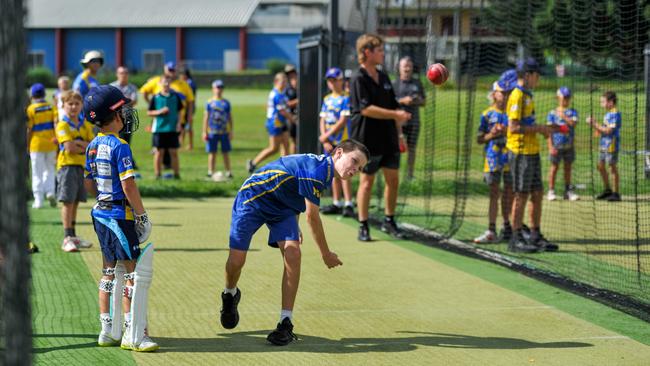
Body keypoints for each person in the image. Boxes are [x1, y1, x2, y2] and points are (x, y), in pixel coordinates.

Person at [220, 140, 369, 346]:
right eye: (354, 161)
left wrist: (294, 224)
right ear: (339, 152)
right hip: (253, 198)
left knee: (293, 253)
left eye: (360, 168)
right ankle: (230, 294)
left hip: (283, 209)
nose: (355, 170)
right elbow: (313, 217)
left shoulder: (326, 173)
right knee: (236, 261)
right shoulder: (318, 170)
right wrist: (326, 254)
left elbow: (293, 190)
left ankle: (285, 322)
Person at [82, 85, 157, 352]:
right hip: (119, 214)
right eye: (122, 110)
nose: (126, 115)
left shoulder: (92, 145)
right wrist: (142, 215)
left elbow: (89, 183)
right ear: (114, 115)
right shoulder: (120, 145)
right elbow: (129, 186)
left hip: (100, 212)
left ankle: (106, 329)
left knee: (108, 270)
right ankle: (133, 331)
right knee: (132, 273)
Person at [349, 33, 411, 241]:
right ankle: (363, 224)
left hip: (389, 138)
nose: (383, 54)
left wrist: (400, 128)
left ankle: (389, 220)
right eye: (380, 51)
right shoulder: (358, 78)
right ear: (367, 52)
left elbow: (393, 105)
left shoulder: (383, 77)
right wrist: (395, 114)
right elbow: (366, 109)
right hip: (367, 140)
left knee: (393, 180)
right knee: (366, 182)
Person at [506, 58, 562, 253]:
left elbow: (528, 124)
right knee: (521, 194)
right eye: (536, 76)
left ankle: (535, 235)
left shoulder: (528, 95)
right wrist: (540, 128)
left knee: (537, 193)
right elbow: (513, 128)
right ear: (528, 75)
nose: (537, 80)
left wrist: (546, 129)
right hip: (520, 152)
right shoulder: (517, 96)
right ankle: (515, 237)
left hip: (532, 151)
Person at [473, 80, 513, 244]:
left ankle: (508, 227)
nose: (504, 96)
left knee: (509, 192)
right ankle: (491, 229)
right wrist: (492, 134)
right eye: (501, 93)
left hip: (510, 157)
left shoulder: (513, 113)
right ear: (494, 94)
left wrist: (507, 130)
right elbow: (480, 139)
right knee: (494, 193)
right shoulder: (487, 114)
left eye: (506, 93)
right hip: (493, 158)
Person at [55, 90, 95, 252]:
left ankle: (73, 235)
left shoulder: (85, 124)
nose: (73, 107)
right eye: (70, 104)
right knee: (68, 201)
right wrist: (82, 143)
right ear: (63, 106)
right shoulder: (62, 125)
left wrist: (80, 143)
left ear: (82, 106)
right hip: (67, 166)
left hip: (81, 166)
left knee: (76, 201)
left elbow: (92, 146)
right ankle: (66, 238)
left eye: (77, 104)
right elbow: (69, 148)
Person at [318, 67, 355, 218]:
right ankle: (336, 202)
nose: (332, 83)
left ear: (341, 81)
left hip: (342, 141)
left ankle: (348, 203)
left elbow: (343, 120)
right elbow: (323, 119)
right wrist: (325, 138)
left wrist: (327, 135)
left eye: (335, 80)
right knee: (333, 172)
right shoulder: (327, 99)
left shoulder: (346, 98)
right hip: (329, 142)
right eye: (330, 81)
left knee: (345, 171)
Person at [140, 61, 194, 150]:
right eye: (170, 70)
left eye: (173, 70)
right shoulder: (157, 81)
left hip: (177, 118)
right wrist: (151, 104)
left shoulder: (183, 84)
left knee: (172, 148)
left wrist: (189, 116)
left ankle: (169, 163)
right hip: (160, 119)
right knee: (159, 148)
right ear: (165, 69)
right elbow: (144, 91)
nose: (172, 72)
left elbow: (190, 101)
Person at [246, 72, 295, 173]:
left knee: (286, 145)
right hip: (275, 123)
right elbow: (282, 111)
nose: (285, 84)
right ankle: (253, 163)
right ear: (276, 82)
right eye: (283, 81)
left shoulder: (282, 93)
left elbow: (284, 107)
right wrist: (293, 120)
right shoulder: (276, 94)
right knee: (274, 148)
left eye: (286, 81)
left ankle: (285, 170)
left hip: (282, 123)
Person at [393, 56, 426, 179]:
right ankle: (394, 173)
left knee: (412, 149)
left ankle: (410, 175)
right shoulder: (394, 84)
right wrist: (403, 101)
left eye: (409, 66)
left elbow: (424, 102)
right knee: (397, 149)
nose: (407, 68)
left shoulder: (417, 83)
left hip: (414, 121)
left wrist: (415, 101)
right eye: (404, 66)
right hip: (398, 123)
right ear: (399, 68)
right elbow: (390, 102)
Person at [26, 83, 58, 209]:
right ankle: (50, 192)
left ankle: (38, 200)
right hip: (51, 143)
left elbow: (29, 129)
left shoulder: (31, 109)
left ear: (33, 95)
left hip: (36, 144)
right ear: (44, 94)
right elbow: (56, 124)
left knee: (36, 172)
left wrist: (27, 145)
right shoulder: (51, 107)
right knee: (49, 170)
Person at [587, 91, 622, 202]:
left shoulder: (614, 113)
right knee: (600, 166)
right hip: (604, 144)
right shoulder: (608, 113)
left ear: (611, 102)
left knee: (612, 167)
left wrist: (594, 124)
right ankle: (608, 190)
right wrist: (598, 129)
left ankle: (616, 193)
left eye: (603, 101)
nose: (601, 104)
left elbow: (609, 130)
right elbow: (604, 128)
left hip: (611, 144)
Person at [147, 77, 184, 179]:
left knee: (174, 152)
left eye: (168, 82)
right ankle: (157, 175)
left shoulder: (175, 97)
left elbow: (180, 111)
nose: (166, 84)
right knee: (159, 153)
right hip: (159, 129)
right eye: (164, 82)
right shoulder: (156, 97)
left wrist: (179, 124)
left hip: (172, 128)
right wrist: (160, 112)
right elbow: (149, 112)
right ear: (160, 84)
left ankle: (176, 175)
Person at [546, 87, 579, 201]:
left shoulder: (573, 112)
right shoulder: (551, 113)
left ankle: (568, 191)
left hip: (568, 146)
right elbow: (549, 131)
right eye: (564, 97)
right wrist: (550, 146)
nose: (566, 100)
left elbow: (573, 124)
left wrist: (563, 116)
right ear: (558, 98)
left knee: (568, 168)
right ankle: (551, 190)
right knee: (554, 167)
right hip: (556, 146)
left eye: (568, 97)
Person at [202, 80, 233, 180]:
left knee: (225, 152)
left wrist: (231, 130)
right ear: (213, 89)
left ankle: (228, 171)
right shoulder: (209, 102)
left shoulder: (226, 103)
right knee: (212, 152)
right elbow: (206, 117)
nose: (219, 90)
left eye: (220, 88)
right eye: (217, 88)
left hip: (224, 131)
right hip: (212, 131)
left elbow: (229, 117)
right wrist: (204, 131)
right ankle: (210, 171)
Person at [110, 66, 139, 170]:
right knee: (117, 140)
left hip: (128, 117)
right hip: (114, 118)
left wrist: (119, 101)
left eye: (126, 73)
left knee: (126, 140)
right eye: (121, 73)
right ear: (117, 74)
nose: (124, 75)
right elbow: (111, 102)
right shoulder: (112, 86)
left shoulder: (132, 87)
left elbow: (134, 101)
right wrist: (125, 100)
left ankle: (127, 161)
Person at [179, 68, 197, 150]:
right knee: (183, 126)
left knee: (188, 126)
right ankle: (181, 143)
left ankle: (190, 144)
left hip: (188, 107)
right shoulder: (187, 82)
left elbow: (190, 97)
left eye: (181, 75)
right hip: (184, 107)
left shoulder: (189, 83)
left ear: (184, 75)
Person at [284, 64, 299, 154]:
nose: (291, 74)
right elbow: (287, 104)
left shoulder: (300, 83)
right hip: (291, 116)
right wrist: (298, 101)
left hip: (301, 114)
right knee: (293, 141)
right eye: (289, 73)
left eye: (293, 72)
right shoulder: (286, 87)